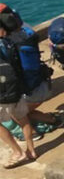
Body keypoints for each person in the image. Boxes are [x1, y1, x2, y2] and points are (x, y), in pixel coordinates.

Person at [0, 37, 37, 168]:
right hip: (15, 86)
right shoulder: (6, 43)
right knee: (23, 118)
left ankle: (17, 152)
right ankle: (31, 150)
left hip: (2, 93)